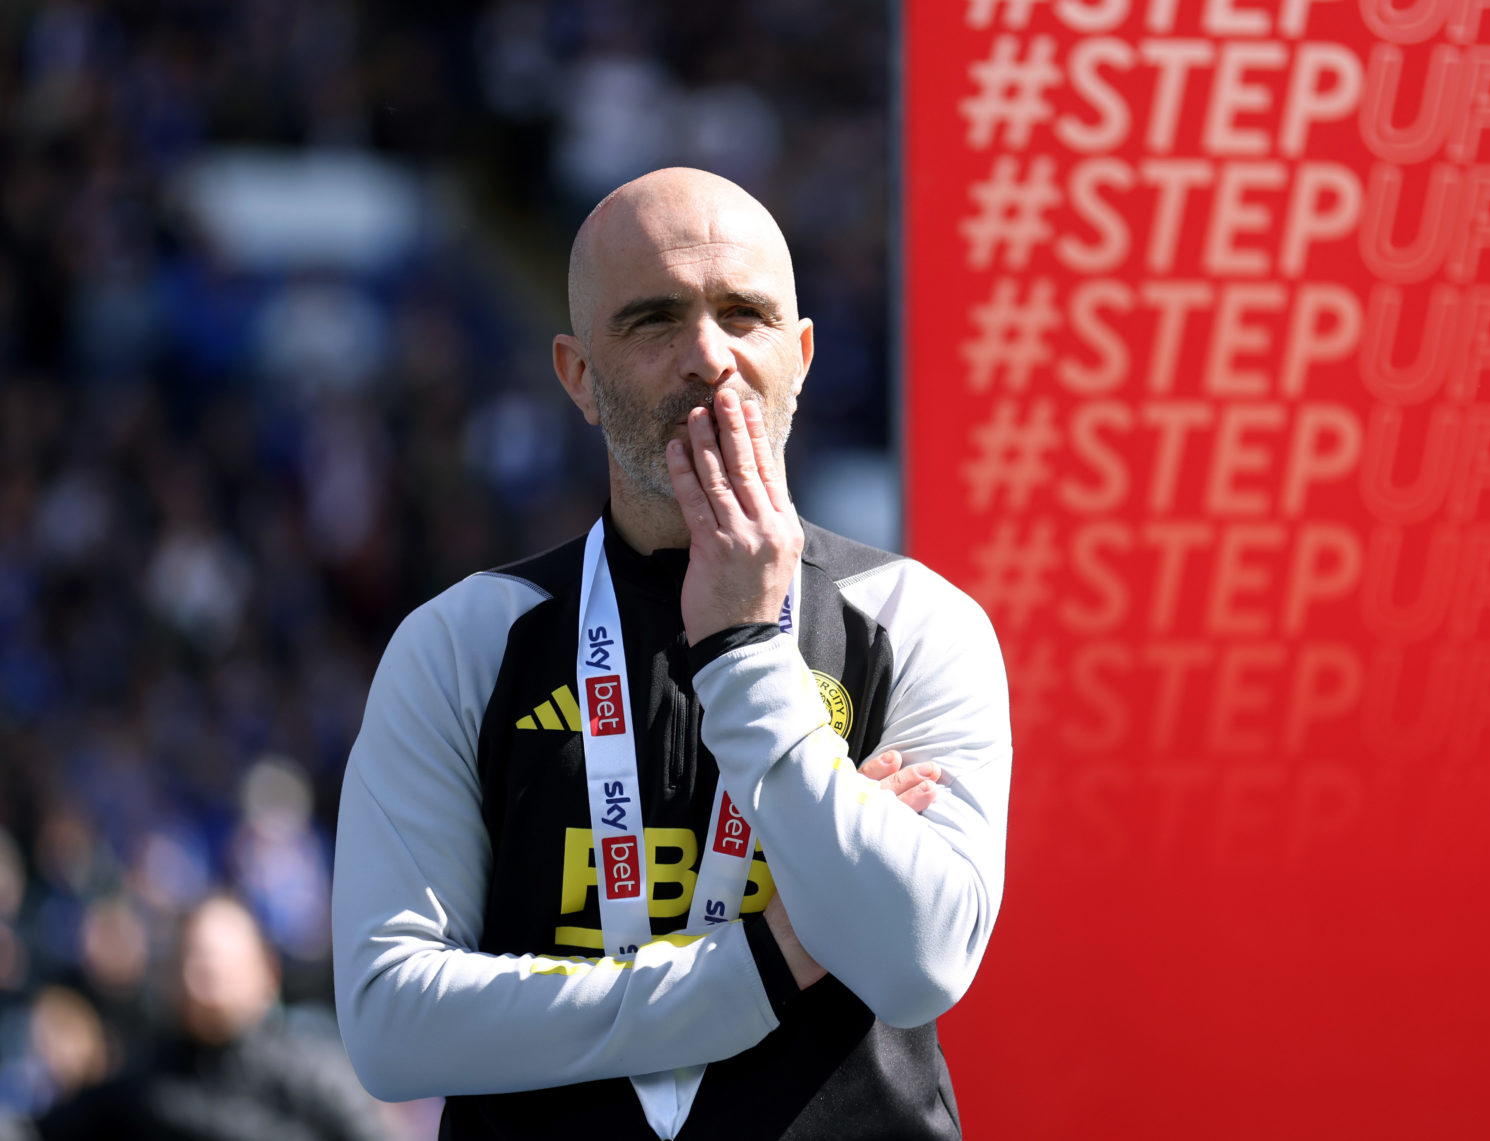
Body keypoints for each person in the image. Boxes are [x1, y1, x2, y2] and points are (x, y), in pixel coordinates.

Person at [331, 167, 1012, 1140]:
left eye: (745, 314)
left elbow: (918, 959)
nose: (709, 356)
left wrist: (742, 649)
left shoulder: (917, 620)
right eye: (653, 320)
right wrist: (757, 969)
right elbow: (394, 1021)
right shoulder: (464, 642)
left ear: (803, 354)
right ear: (577, 376)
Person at [36, 894, 397, 1141]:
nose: (200, 978)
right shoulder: (138, 1087)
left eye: (215, 963)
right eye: (189, 959)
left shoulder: (318, 1073)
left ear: (267, 972)